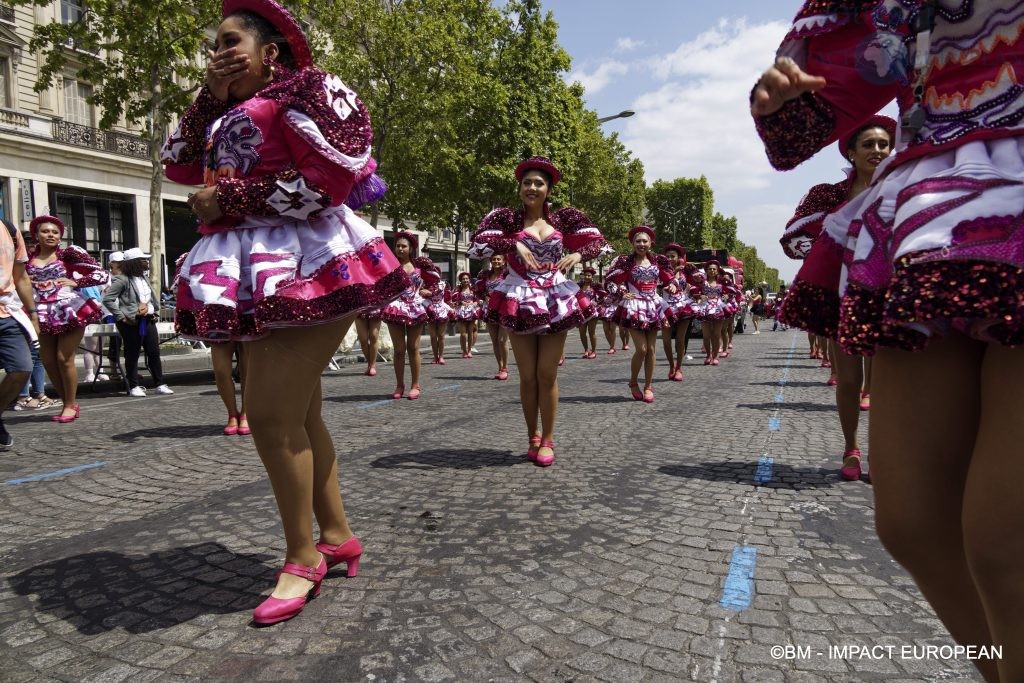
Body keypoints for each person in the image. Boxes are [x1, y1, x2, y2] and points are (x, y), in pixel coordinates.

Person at [753, 2, 1024, 678]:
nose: (870, 148)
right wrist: (776, 102)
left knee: (1004, 539)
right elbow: (815, 109)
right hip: (924, 215)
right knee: (912, 519)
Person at [162, 0, 407, 625]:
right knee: (300, 414)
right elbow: (179, 163)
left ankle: (303, 559)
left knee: (270, 416)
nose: (218, 52)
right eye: (211, 44)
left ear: (270, 51)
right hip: (250, 263)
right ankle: (335, 534)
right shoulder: (222, 111)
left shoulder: (305, 90)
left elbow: (334, 176)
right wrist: (207, 97)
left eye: (231, 41)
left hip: (309, 258)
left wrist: (229, 195)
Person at [777, 116, 896, 478]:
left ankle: (881, 454)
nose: (877, 150)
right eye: (869, 145)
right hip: (843, 294)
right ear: (851, 153)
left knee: (888, 384)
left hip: (891, 295)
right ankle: (851, 448)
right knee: (848, 381)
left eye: (884, 145)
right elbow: (797, 238)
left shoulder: (904, 190)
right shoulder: (829, 196)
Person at [469, 156, 607, 466]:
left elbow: (599, 244)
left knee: (547, 373)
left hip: (555, 298)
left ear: (548, 189)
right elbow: (475, 246)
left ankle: (548, 438)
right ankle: (532, 434)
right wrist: (512, 244)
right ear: (519, 187)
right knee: (528, 376)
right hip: (519, 296)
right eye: (527, 182)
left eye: (539, 183)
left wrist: (576, 253)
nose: (532, 187)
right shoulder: (506, 220)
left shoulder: (562, 220)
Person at [26, 215, 108, 422]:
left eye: (55, 232)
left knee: (64, 357)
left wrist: (76, 282)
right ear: (36, 235)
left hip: (69, 308)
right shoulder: (27, 260)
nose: (50, 235)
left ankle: (71, 404)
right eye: (45, 231)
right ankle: (66, 402)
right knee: (49, 360)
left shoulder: (69, 255)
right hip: (41, 311)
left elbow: (101, 274)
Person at [606, 226, 678, 402]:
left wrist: (673, 285)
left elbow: (670, 279)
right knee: (642, 349)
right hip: (634, 306)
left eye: (645, 241)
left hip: (653, 306)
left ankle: (648, 386)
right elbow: (610, 281)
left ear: (650, 243)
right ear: (632, 243)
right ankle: (632, 382)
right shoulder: (626, 263)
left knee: (652, 349)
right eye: (638, 241)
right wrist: (621, 292)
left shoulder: (658, 262)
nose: (641, 244)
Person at [102, 248, 174, 398]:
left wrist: (154, 312)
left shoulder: (144, 278)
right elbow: (108, 300)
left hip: (147, 320)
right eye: (143, 260)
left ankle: (159, 384)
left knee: (154, 352)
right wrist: (121, 317)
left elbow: (150, 298)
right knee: (132, 354)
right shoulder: (122, 279)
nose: (146, 262)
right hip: (130, 322)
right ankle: (133, 385)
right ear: (134, 263)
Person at [378, 232, 440, 399]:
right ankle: (399, 385)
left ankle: (415, 384)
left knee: (413, 348)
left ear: (411, 248)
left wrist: (428, 291)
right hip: (395, 308)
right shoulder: (388, 266)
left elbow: (436, 284)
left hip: (414, 308)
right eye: (397, 246)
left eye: (403, 246)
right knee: (398, 350)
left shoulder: (420, 267)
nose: (400, 249)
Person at [0, 218, 39, 447]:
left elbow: (21, 276)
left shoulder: (9, 229)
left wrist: (33, 314)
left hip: (7, 312)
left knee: (22, 367)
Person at [476, 255, 511, 379]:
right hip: (490, 309)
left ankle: (505, 367)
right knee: (495, 341)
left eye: (498, 259)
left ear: (504, 261)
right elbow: (479, 291)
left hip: (504, 308)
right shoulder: (485, 276)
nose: (496, 261)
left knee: (502, 340)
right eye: (494, 259)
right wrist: (484, 296)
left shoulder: (508, 274)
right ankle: (500, 367)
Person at [695, 260, 726, 365]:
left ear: (717, 271)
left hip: (718, 308)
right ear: (706, 271)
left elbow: (731, 292)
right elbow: (694, 292)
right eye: (710, 269)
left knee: (716, 335)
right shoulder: (701, 282)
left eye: (714, 269)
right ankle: (708, 355)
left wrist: (726, 296)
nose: (712, 270)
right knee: (706, 335)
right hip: (705, 308)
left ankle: (715, 356)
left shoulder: (722, 283)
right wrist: (700, 296)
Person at [424, 274, 454, 365]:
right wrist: (427, 306)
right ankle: (435, 356)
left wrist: (451, 309)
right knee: (433, 336)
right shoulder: (425, 284)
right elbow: (421, 298)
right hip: (430, 311)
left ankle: (441, 356)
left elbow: (447, 299)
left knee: (441, 336)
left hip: (442, 311)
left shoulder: (444, 284)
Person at [451, 271, 480, 359]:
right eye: (463, 279)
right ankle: (464, 351)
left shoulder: (473, 289)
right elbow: (452, 299)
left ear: (469, 279)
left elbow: (478, 298)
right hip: (461, 312)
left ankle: (469, 350)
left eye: (467, 278)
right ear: (461, 280)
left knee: (470, 331)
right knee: (463, 333)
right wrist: (460, 302)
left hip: (471, 311)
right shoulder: (457, 290)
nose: (465, 280)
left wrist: (475, 302)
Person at [576, 267, 601, 359]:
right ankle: (586, 350)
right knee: (582, 332)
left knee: (591, 332)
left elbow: (603, 297)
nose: (587, 277)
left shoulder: (597, 286)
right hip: (581, 312)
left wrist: (596, 303)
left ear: (592, 276)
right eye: (585, 275)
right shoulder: (578, 286)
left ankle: (594, 351)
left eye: (589, 275)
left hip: (592, 312)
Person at [355, 307, 382, 376]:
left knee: (373, 336)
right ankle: (370, 364)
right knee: (363, 339)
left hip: (375, 304)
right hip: (360, 306)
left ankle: (372, 365)